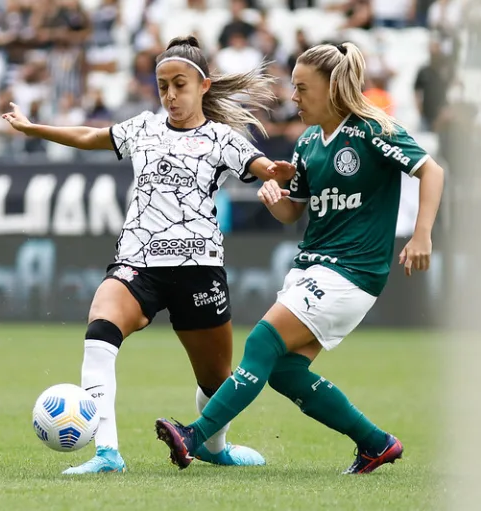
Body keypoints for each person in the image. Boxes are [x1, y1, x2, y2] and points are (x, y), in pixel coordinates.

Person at [3, 35, 295, 474]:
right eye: (163, 86)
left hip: (198, 269)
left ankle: (215, 447)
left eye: (180, 85)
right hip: (138, 263)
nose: (170, 95)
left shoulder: (222, 139)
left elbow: (263, 167)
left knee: (216, 381)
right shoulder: (143, 128)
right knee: (100, 331)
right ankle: (107, 453)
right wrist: (34, 129)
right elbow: (90, 135)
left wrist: (276, 173)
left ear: (204, 86)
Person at [154, 42, 445, 475]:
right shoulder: (308, 142)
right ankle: (375, 443)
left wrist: (422, 235)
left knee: (262, 342)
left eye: (302, 88)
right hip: (312, 267)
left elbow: (431, 171)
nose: (294, 98)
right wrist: (276, 200)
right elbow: (295, 211)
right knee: (285, 371)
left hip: (352, 271)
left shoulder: (372, 129)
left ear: (332, 88)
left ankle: (194, 436)